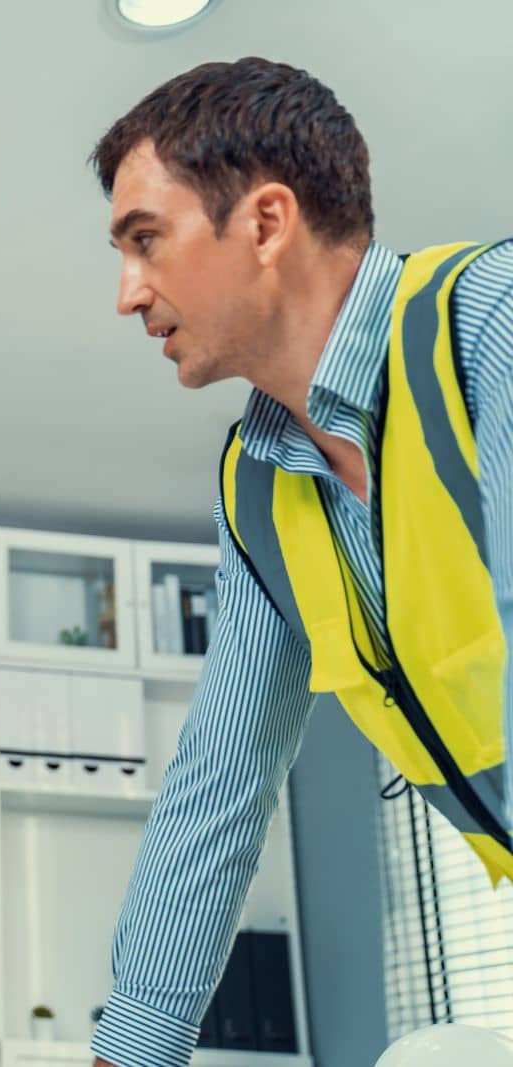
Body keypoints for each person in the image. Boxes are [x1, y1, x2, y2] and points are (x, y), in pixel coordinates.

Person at [87, 57, 513, 1067]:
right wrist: (133, 1050)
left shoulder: (489, 327)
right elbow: (219, 782)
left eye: (145, 241)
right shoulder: (260, 484)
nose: (124, 293)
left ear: (267, 223)